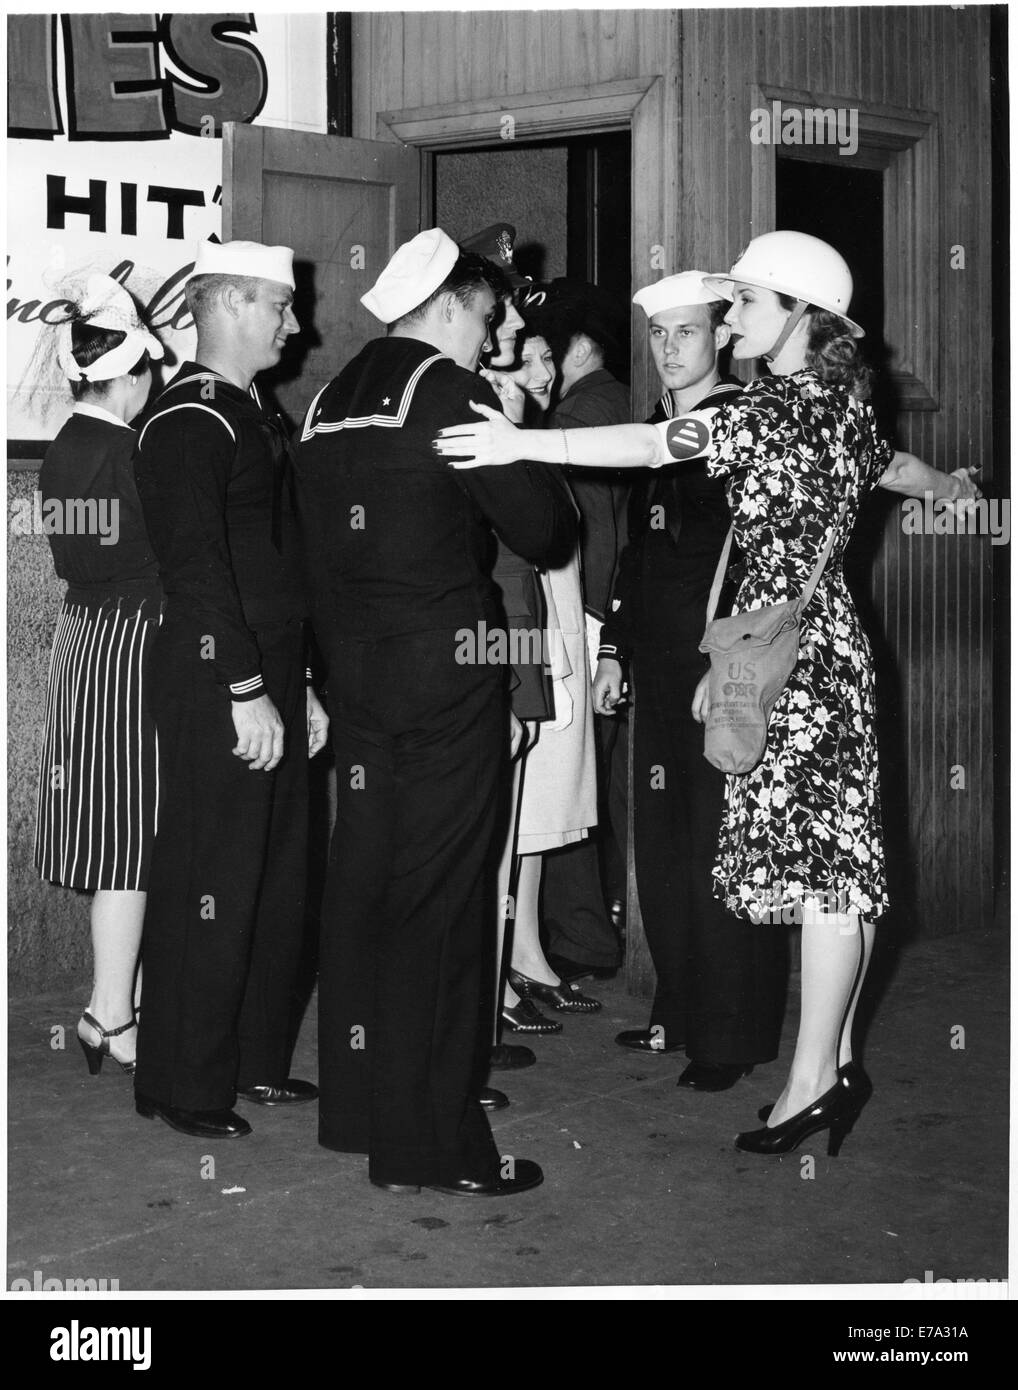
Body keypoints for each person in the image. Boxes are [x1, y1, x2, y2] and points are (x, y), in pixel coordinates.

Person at [433, 230, 981, 1155]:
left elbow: (651, 441)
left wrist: (517, 439)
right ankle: (837, 1061)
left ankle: (812, 1087)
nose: (733, 318)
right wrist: (961, 494)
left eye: (752, 304)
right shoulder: (842, 411)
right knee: (830, 872)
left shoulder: (771, 414)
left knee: (824, 882)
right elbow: (903, 472)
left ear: (805, 318)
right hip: (826, 651)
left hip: (787, 664)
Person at [293, 229, 575, 1196]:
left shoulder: (327, 402)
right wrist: (521, 433)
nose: (490, 338)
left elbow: (309, 554)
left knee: (365, 887)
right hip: (448, 680)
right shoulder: (451, 393)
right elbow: (544, 530)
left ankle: (359, 1109)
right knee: (447, 907)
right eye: (487, 317)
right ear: (449, 306)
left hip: (357, 678)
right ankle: (433, 1147)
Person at [133, 240, 326, 1140]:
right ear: (230, 307)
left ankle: (253, 1061)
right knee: (211, 875)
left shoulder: (252, 412)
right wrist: (248, 689)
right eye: (279, 308)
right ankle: (184, 1082)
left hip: (273, 669)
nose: (296, 325)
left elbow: (279, 555)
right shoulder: (189, 418)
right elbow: (198, 571)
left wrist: (302, 686)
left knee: (277, 875)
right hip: (221, 675)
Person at [595, 271, 786, 1091]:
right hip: (659, 663)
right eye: (659, 335)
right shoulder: (650, 431)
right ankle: (676, 1007)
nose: (671, 350)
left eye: (686, 333)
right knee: (666, 847)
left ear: (721, 338)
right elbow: (637, 556)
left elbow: (764, 550)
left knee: (724, 848)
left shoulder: (744, 422)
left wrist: (728, 663)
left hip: (725, 663)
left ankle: (730, 1036)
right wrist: (612, 648)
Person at [34, 274, 164, 1076]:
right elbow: (162, 561)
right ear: (131, 374)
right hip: (133, 640)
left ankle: (120, 999)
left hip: (80, 637)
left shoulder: (63, 450)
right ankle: (110, 1013)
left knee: (111, 824)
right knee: (128, 835)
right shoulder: (129, 452)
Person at [490, 327, 603, 1030]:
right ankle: (494, 971)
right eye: (520, 359)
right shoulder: (491, 449)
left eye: (544, 355)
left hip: (556, 642)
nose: (540, 370)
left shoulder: (540, 444)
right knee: (504, 819)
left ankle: (526, 950)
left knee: (538, 813)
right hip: (514, 650)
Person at [534, 281, 632, 984]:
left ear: (575, 346)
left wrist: (596, 634)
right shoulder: (622, 400)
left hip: (590, 618)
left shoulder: (576, 417)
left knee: (568, 788)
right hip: (619, 622)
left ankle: (581, 939)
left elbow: (591, 533)